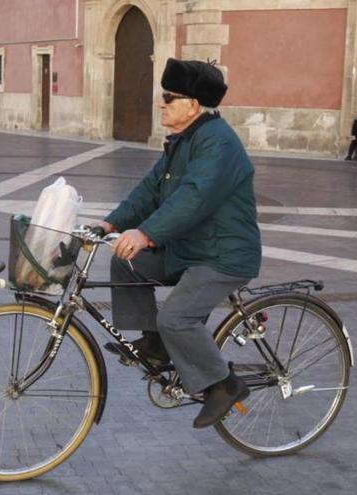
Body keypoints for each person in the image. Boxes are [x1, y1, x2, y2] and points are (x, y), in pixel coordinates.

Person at [98, 58, 262, 429]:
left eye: (168, 98)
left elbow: (194, 197)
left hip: (224, 254)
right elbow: (150, 191)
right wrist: (111, 222)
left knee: (176, 317)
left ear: (192, 105)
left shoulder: (218, 143)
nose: (161, 103)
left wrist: (145, 234)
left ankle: (224, 384)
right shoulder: (183, 142)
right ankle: (155, 345)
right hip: (192, 249)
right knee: (126, 262)